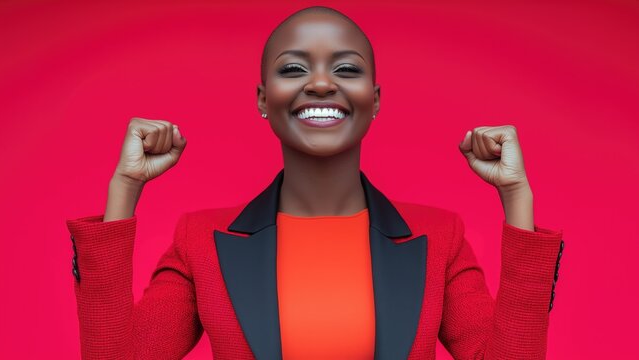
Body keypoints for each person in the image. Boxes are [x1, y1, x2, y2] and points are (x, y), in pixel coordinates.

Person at [66, 6, 564, 360]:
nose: (321, 83)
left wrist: (517, 199)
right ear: (264, 99)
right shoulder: (201, 242)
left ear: (375, 99)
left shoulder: (440, 239)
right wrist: (125, 190)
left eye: (346, 68)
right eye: (294, 68)